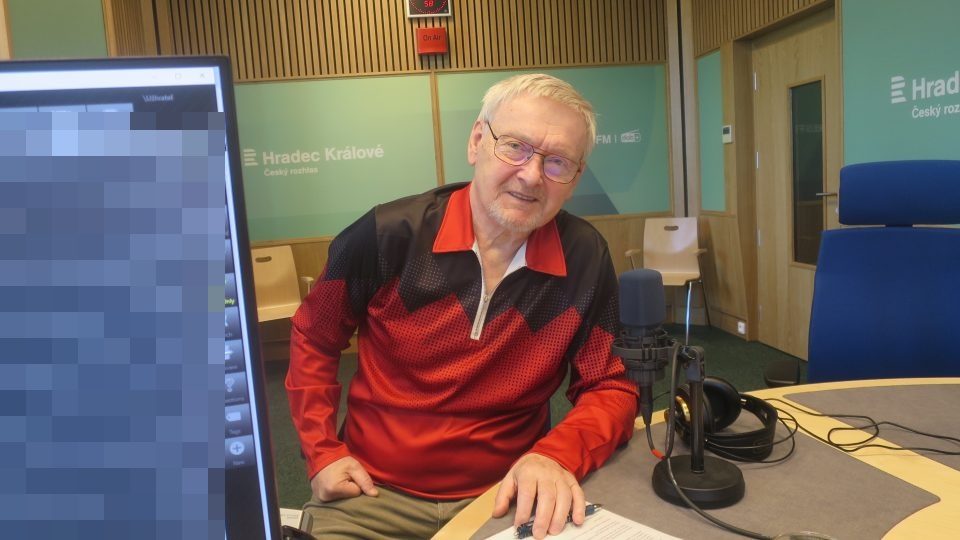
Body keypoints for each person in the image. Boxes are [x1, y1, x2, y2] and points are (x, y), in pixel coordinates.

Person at [286, 73, 638, 539]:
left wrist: (555, 456)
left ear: (574, 178)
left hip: (508, 496)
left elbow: (611, 386)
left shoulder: (584, 257)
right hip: (370, 493)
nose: (531, 175)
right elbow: (314, 335)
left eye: (557, 162)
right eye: (515, 147)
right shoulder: (389, 234)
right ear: (476, 142)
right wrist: (322, 451)